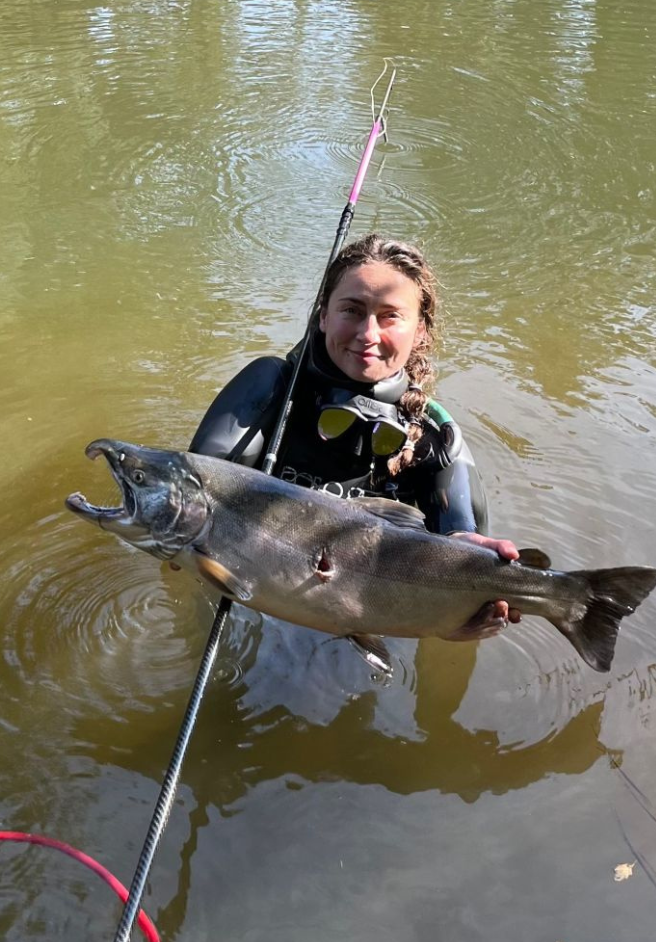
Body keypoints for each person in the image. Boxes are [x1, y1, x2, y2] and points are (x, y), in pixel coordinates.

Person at [188, 233, 518, 642]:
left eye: (390, 315)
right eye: (352, 310)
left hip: (357, 617)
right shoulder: (270, 387)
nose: (367, 333)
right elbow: (196, 494)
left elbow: (464, 548)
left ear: (420, 331)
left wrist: (457, 613)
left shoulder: (438, 439)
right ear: (322, 315)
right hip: (243, 598)